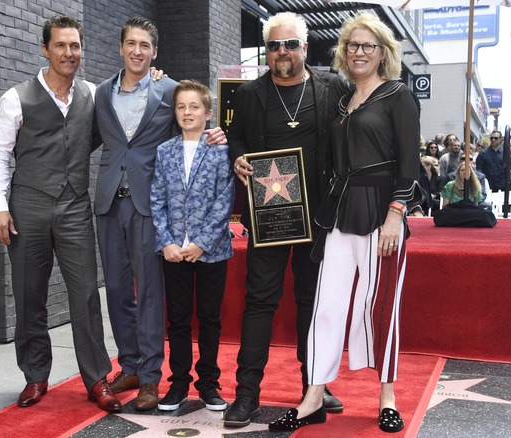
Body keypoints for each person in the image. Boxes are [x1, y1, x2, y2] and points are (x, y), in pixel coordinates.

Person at [268, 12, 423, 434]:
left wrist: (396, 212)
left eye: (367, 46)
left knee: (381, 305)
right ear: (343, 51)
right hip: (339, 212)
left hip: (381, 212)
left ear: (382, 52)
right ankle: (313, 398)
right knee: (327, 306)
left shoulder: (398, 95)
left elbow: (410, 163)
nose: (359, 52)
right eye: (352, 45)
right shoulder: (341, 100)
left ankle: (387, 397)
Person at [0, 15, 120, 412]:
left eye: (75, 46)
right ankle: (35, 377)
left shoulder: (92, 95)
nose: (68, 53)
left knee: (86, 297)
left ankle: (97, 380)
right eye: (60, 46)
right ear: (45, 49)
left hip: (75, 206)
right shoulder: (16, 97)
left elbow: (124, 121)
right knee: (29, 296)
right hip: (27, 206)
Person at [92, 16, 225, 411]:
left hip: (149, 204)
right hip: (108, 201)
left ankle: (151, 377)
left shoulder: (169, 90)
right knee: (116, 290)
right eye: (131, 44)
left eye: (144, 45)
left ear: (154, 52)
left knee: (149, 292)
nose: (137, 51)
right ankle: (129, 365)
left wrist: (216, 134)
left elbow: (193, 118)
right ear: (120, 48)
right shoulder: (100, 92)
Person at [226, 11, 349, 428]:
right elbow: (236, 139)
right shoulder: (248, 94)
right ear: (266, 51)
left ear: (305, 47)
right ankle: (247, 394)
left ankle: (314, 387)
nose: (282, 52)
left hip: (318, 216)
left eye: (290, 44)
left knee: (313, 305)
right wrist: (237, 158)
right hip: (270, 216)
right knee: (259, 302)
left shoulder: (332, 88)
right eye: (274, 45)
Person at [149, 80, 234, 412]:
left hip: (211, 251)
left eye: (194, 107)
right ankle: (179, 384)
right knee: (179, 321)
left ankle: (209, 383)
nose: (187, 112)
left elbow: (224, 201)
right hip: (173, 253)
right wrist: (166, 242)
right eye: (181, 107)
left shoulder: (221, 150)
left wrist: (202, 243)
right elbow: (157, 200)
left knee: (210, 319)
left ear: (208, 112)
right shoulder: (164, 150)